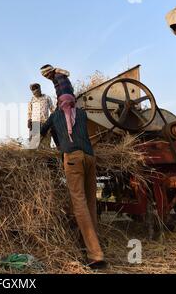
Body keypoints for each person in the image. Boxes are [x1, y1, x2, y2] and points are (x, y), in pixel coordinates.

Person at [40, 76, 107, 270]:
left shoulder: (56, 115)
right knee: (91, 202)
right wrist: (60, 79)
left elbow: (40, 131)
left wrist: (34, 132)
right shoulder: (83, 114)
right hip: (90, 158)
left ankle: (95, 254)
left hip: (73, 159)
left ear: (60, 103)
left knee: (79, 204)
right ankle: (91, 245)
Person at [27, 83, 55, 149]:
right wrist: (29, 120)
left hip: (46, 122)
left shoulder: (46, 97)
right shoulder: (32, 100)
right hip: (35, 123)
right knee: (34, 144)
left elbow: (52, 109)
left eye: (36, 88)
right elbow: (29, 112)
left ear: (39, 89)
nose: (35, 91)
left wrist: (53, 120)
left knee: (46, 143)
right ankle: (35, 158)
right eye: (33, 89)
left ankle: (46, 157)